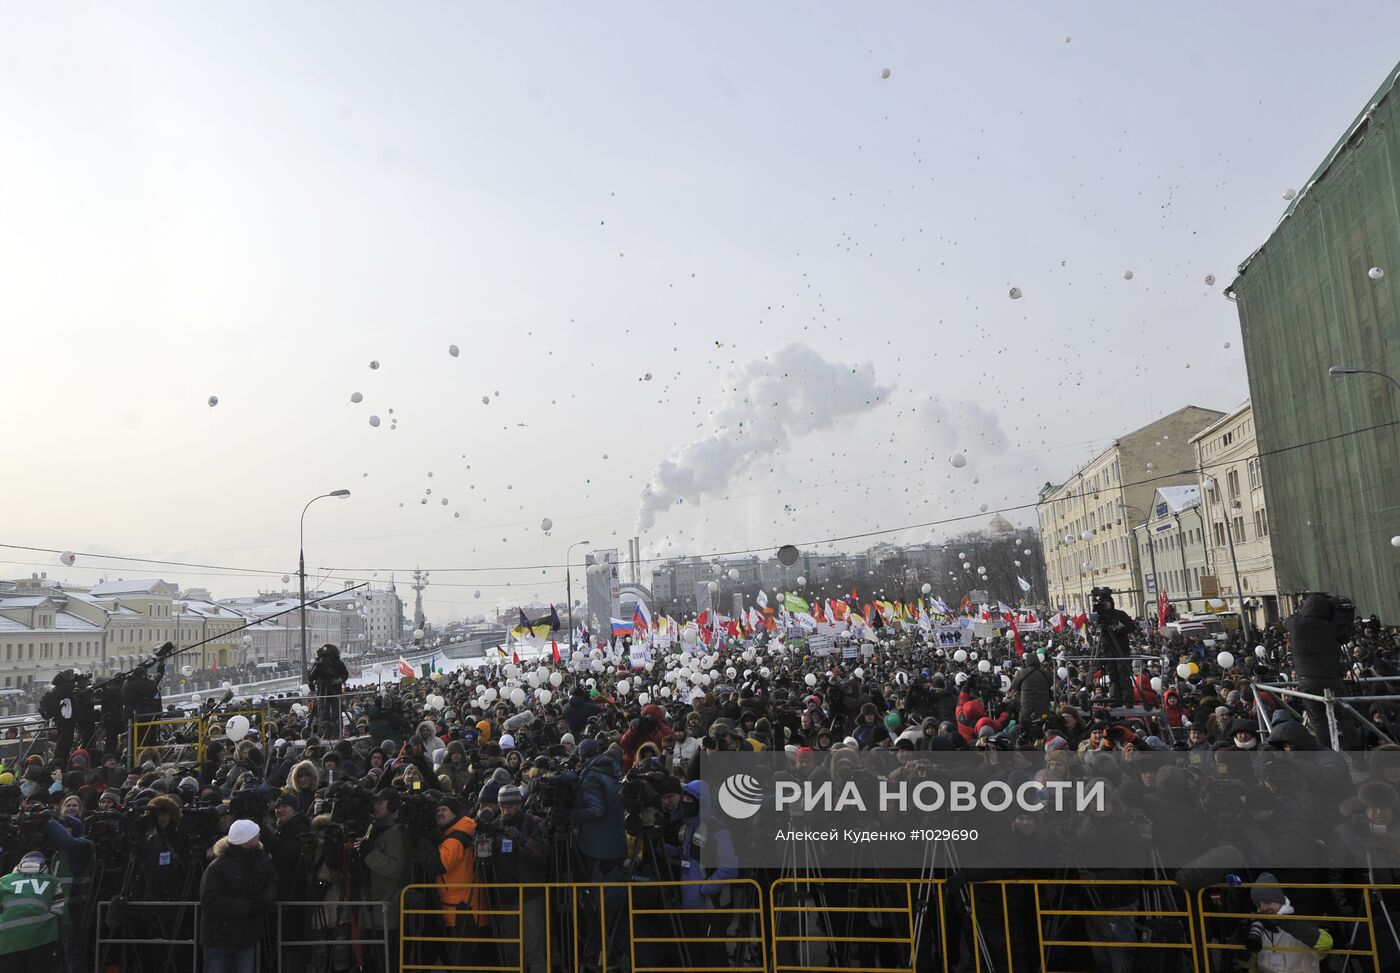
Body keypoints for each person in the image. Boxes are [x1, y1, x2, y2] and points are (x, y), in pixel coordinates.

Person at [199, 818, 277, 973]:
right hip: (219, 938)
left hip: (247, 937)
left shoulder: (260, 859)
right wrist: (249, 907)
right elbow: (211, 901)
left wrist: (267, 899)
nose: (259, 835)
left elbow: (271, 881)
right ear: (246, 839)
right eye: (256, 834)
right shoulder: (217, 867)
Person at [356, 789, 411, 973]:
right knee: (369, 959)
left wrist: (369, 852)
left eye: (381, 802)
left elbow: (395, 869)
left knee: (386, 961)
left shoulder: (396, 831)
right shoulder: (375, 826)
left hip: (387, 908)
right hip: (372, 905)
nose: (376, 805)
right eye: (375, 802)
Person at [0, 851, 64, 964]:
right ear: (44, 866)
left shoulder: (4, 880)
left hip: (7, 940)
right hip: (40, 939)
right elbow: (59, 911)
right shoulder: (52, 881)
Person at [308, 644, 349, 739]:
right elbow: (311, 676)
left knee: (336, 713)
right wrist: (317, 669)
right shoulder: (318, 663)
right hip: (322, 690)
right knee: (323, 713)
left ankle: (336, 732)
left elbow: (345, 674)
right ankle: (323, 732)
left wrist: (338, 680)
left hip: (335, 690)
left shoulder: (338, 663)